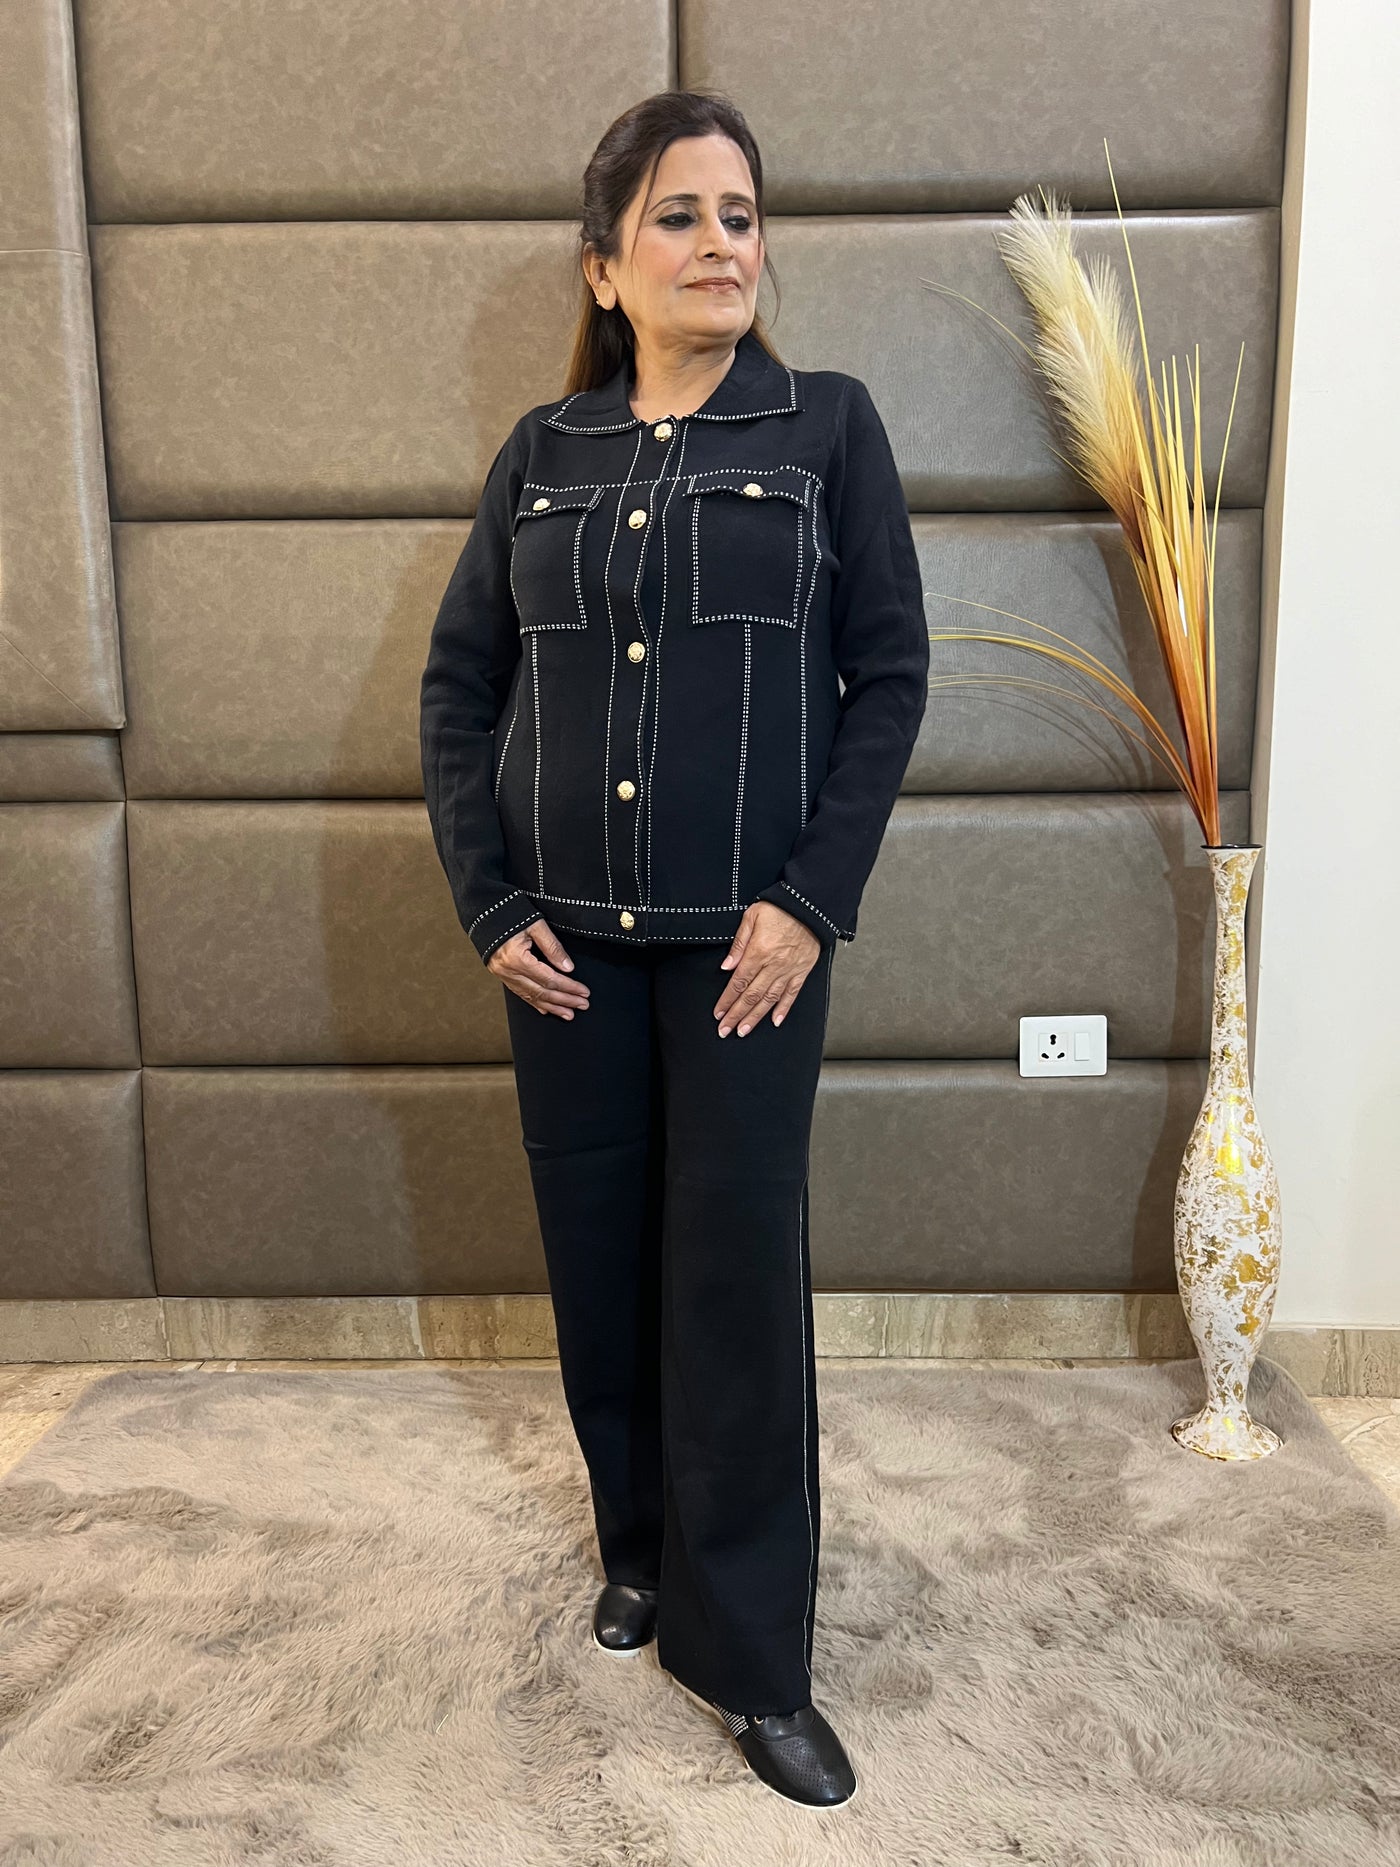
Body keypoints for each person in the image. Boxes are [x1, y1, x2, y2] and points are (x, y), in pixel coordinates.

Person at [419, 88, 928, 1811]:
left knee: (734, 1291)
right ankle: (635, 1547)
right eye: (680, 216)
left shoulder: (826, 428)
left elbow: (890, 680)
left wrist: (809, 902)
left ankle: (755, 1655)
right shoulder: (542, 455)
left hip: (745, 963)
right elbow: (459, 691)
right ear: (605, 266)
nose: (722, 243)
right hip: (564, 961)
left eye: (741, 214)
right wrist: (490, 904)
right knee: (602, 1269)